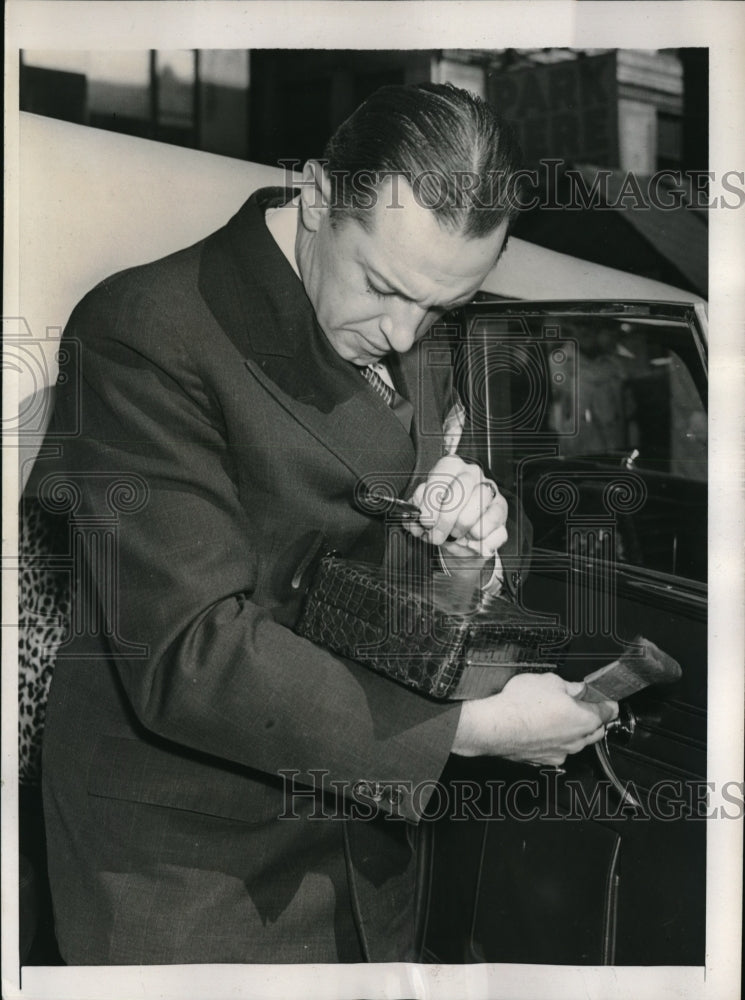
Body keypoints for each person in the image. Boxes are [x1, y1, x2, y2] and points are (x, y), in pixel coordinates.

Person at [26, 82, 618, 965]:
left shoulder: (408, 330)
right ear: (313, 197)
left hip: (363, 848)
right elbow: (187, 652)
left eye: (440, 310)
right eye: (382, 286)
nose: (405, 334)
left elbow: (399, 579)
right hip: (190, 871)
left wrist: (469, 539)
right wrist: (473, 732)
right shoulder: (145, 329)